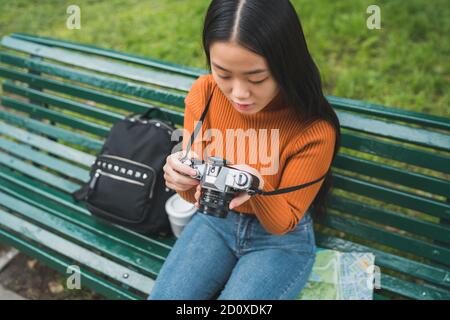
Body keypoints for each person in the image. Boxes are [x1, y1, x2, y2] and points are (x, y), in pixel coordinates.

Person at [148, 0, 340, 300]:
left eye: (257, 78)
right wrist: (181, 178)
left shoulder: (314, 130)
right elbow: (193, 194)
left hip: (280, 241)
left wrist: (257, 187)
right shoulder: (205, 93)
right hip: (214, 222)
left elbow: (282, 223)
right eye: (223, 73)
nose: (239, 93)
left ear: (285, 66)